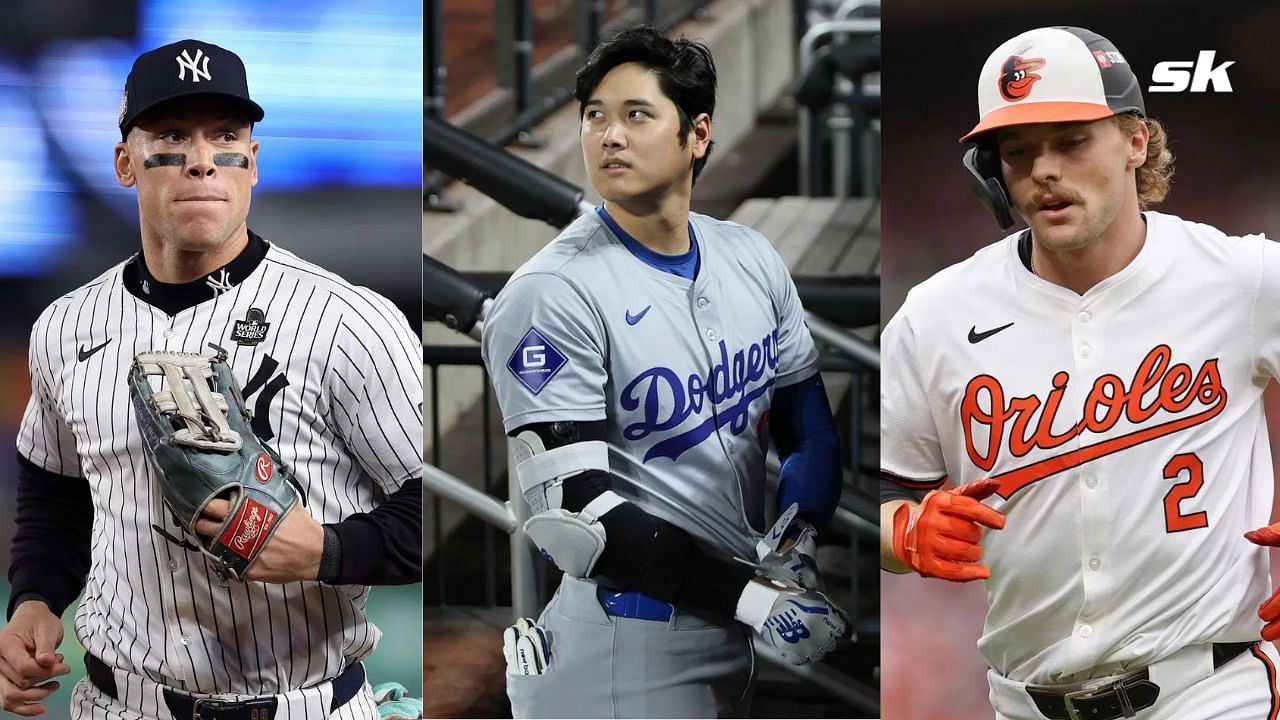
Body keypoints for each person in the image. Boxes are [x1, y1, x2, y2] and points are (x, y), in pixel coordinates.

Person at [0, 39, 422, 719]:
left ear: (251, 164)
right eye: (171, 135)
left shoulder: (347, 320)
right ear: (124, 163)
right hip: (121, 704)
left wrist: (330, 549)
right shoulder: (65, 326)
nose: (201, 159)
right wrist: (34, 602)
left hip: (302, 701)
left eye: (224, 136)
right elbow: (56, 497)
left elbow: (436, 507)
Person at [881, 25, 1280, 720]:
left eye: (1071, 140)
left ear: (1135, 142)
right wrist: (900, 530)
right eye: (1018, 151)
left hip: (1210, 688)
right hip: (1024, 701)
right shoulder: (937, 316)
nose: (1044, 169)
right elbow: (848, 501)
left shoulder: (1240, 278)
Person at [480, 25, 848, 719]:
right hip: (623, 644)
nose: (608, 136)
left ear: (698, 134)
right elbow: (574, 513)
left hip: (724, 620)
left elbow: (808, 429)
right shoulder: (551, 292)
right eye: (595, 116)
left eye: (636, 115)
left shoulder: (750, 256)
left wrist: (798, 541)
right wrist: (757, 599)